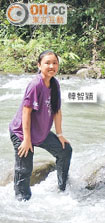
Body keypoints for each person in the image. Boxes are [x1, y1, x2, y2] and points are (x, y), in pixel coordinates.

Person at [9, 50, 72, 201]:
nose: (52, 66)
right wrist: (26, 140)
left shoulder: (55, 84)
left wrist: (60, 134)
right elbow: (26, 113)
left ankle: (62, 189)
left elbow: (57, 111)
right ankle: (21, 201)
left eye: (55, 63)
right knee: (24, 169)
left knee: (65, 150)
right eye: (47, 63)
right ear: (39, 65)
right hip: (22, 133)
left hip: (41, 133)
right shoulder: (35, 85)